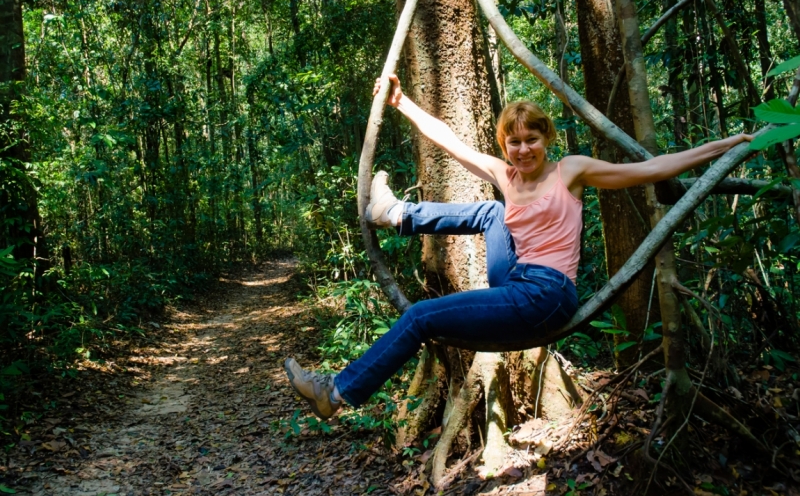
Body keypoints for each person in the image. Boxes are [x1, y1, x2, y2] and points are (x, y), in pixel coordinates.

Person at [284, 74, 753, 420]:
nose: (523, 150)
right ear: (504, 145)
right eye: (514, 142)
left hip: (546, 293)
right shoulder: (505, 176)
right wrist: (402, 102)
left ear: (546, 138)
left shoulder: (571, 170)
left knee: (420, 317)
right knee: (492, 213)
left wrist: (725, 146)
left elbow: (651, 170)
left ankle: (337, 393)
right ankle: (397, 214)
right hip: (515, 282)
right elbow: (449, 140)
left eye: (532, 140)